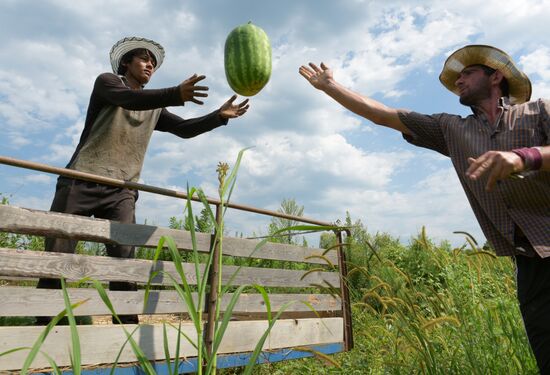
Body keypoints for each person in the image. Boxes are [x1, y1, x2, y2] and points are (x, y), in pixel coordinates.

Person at [300, 44, 549, 373]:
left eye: (468, 73)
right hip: (530, 263)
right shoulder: (451, 129)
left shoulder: (539, 111)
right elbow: (383, 114)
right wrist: (329, 86)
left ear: (496, 77)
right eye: (457, 77)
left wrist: (523, 157)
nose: (459, 81)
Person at [36, 36, 249, 324]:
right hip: (80, 180)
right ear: (126, 62)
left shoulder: (155, 107)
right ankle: (46, 326)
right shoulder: (107, 83)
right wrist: (175, 93)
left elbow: (184, 129)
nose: (150, 65)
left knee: (125, 261)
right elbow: (129, 99)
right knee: (58, 259)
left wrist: (218, 116)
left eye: (154, 63)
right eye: (144, 59)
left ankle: (125, 330)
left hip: (123, 189)